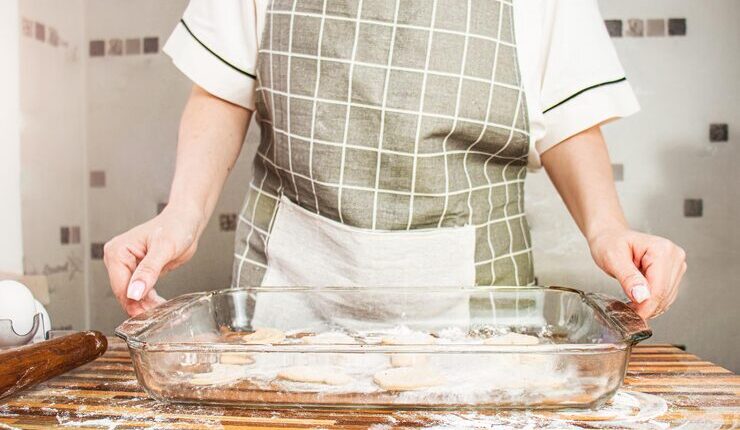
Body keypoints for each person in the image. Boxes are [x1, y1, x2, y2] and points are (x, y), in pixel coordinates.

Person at [104, 0, 686, 321]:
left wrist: (608, 231)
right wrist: (181, 217)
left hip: (480, 321)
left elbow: (569, 121)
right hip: (290, 307)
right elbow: (222, 92)